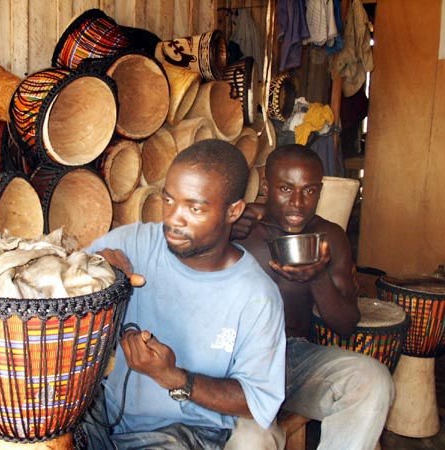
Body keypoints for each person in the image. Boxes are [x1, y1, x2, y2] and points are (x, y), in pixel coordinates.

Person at [78, 139, 286, 450]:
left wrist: (176, 378)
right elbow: (59, 282)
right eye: (169, 200)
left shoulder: (256, 297)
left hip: (189, 433)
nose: (174, 219)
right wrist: (93, 269)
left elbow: (255, 399)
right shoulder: (135, 243)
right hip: (111, 416)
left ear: (234, 211)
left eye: (194, 207)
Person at [227, 143, 394, 450]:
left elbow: (346, 323)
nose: (298, 203)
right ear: (266, 186)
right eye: (285, 189)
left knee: (373, 380)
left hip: (293, 357)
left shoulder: (329, 237)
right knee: (250, 439)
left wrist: (317, 277)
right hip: (232, 360)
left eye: (309, 191)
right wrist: (222, 231)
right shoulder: (239, 226)